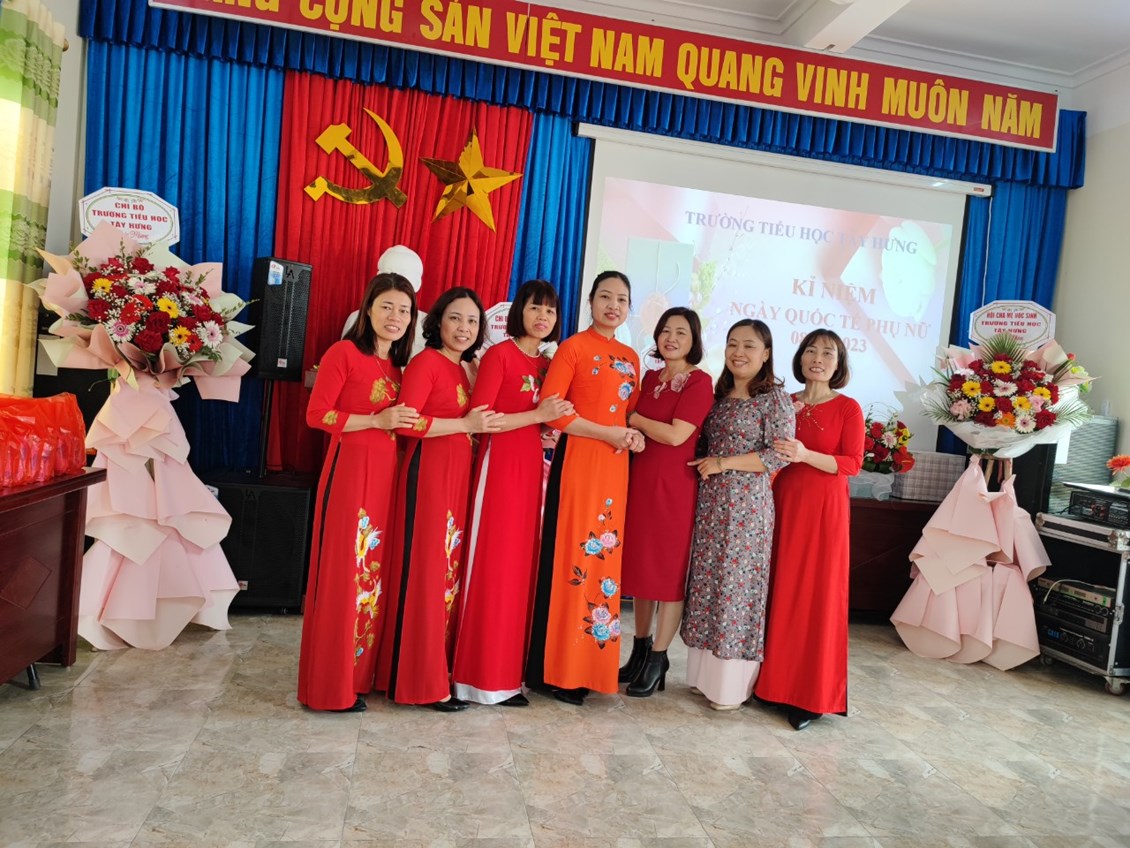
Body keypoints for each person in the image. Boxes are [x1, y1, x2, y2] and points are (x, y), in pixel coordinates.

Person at [374, 287, 502, 711]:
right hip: (427, 475)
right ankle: (420, 682)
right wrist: (464, 424)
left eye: (472, 321)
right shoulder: (426, 363)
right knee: (426, 575)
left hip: (456, 477)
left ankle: (432, 673)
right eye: (455, 318)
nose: (464, 328)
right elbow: (406, 424)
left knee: (445, 577)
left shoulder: (464, 369)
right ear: (437, 322)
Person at [297, 272, 420, 712]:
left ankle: (359, 676)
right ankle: (330, 688)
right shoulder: (344, 353)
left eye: (404, 310)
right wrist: (375, 420)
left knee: (371, 577)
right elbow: (317, 415)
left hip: (386, 479)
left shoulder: (399, 368)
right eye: (387, 306)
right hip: (349, 474)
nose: (395, 317)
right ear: (368, 309)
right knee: (343, 574)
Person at [451, 280, 574, 706]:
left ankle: (508, 677)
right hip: (500, 468)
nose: (543, 317)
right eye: (535, 308)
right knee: (493, 567)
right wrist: (537, 415)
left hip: (533, 472)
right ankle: (477, 679)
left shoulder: (548, 364)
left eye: (550, 311)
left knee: (521, 572)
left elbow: (548, 419)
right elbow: (481, 419)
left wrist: (547, 426)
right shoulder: (499, 356)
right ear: (519, 310)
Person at [525, 270, 644, 705]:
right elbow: (553, 411)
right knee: (573, 558)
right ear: (590, 302)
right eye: (605, 296)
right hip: (579, 462)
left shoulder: (631, 357)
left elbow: (627, 415)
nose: (613, 305)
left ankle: (590, 668)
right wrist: (607, 433)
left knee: (603, 563)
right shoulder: (573, 348)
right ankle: (559, 670)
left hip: (615, 468)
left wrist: (632, 436)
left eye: (622, 299)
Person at [679, 319, 795, 710]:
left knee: (736, 590)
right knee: (708, 585)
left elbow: (779, 454)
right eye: (732, 344)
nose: (738, 352)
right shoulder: (719, 395)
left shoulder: (775, 399)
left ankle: (729, 687)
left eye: (749, 345)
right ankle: (703, 678)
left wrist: (724, 463)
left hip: (748, 508)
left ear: (766, 354)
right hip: (711, 506)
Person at [753, 328, 864, 730]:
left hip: (823, 512)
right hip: (780, 503)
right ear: (800, 358)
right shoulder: (783, 402)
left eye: (828, 353)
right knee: (778, 589)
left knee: (816, 597)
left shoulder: (848, 408)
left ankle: (809, 696)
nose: (818, 358)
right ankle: (770, 685)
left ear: (839, 364)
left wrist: (804, 454)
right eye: (811, 351)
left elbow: (852, 463)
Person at [618, 307, 714, 697]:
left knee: (668, 575)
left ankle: (659, 658)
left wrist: (636, 419)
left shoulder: (700, 382)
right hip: (640, 481)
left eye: (681, 333)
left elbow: (676, 436)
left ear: (694, 341)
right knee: (642, 570)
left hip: (674, 488)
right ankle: (639, 650)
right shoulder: (650, 377)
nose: (671, 338)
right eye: (665, 331)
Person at [340, 245, 424, 339]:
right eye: (386, 307)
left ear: (417, 283)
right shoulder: (355, 318)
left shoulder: (427, 324)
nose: (395, 280)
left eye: (403, 311)